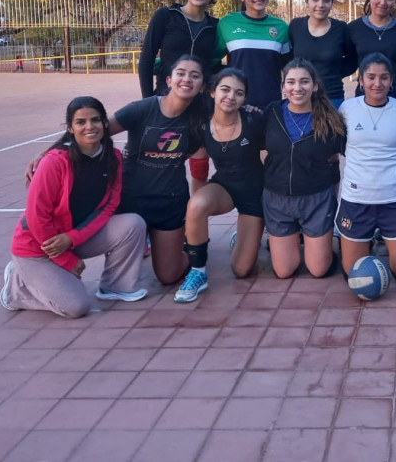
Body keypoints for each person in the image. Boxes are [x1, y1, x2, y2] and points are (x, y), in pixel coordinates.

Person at [3, 97, 147, 317]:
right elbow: (36, 217)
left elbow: (109, 206)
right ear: (70, 127)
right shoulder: (54, 162)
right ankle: (16, 288)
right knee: (76, 307)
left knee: (133, 224)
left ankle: (116, 286)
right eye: (81, 122)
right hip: (38, 248)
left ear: (105, 124)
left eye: (96, 120)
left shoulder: (113, 157)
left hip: (69, 239)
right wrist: (66, 260)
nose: (90, 126)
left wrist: (72, 238)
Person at [113, 56, 209, 285]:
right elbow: (94, 129)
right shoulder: (142, 109)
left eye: (194, 76)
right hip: (131, 201)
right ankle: (141, 236)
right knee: (122, 276)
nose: (187, 79)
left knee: (168, 275)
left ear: (202, 86)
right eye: (181, 73)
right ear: (169, 79)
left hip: (169, 201)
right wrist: (47, 154)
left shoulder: (199, 119)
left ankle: (189, 250)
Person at [174, 68, 267, 302]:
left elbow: (269, 162)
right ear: (213, 92)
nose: (230, 97)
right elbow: (198, 170)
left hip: (254, 195)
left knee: (241, 270)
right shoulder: (202, 126)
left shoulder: (254, 120)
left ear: (245, 98)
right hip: (224, 187)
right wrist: (195, 216)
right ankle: (198, 272)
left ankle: (245, 235)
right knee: (196, 205)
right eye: (225, 90)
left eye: (239, 93)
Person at [336, 53, 396, 284]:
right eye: (370, 77)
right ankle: (366, 240)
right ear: (360, 80)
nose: (377, 84)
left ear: (392, 81)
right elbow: (341, 145)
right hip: (356, 199)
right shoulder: (347, 108)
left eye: (384, 78)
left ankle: (388, 238)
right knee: (353, 274)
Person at [263, 59, 346, 279]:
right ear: (283, 87)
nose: (297, 88)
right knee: (284, 271)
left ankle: (323, 242)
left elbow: (337, 159)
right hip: (277, 199)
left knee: (318, 270)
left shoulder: (331, 121)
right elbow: (260, 150)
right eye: (290, 82)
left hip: (316, 199)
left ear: (315, 86)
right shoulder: (270, 114)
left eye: (304, 82)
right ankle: (294, 240)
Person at [215, 0, 291, 109]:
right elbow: (213, 60)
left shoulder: (281, 27)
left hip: (271, 104)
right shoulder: (227, 23)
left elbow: (288, 68)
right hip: (236, 104)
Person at [139, 0, 219, 97]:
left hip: (200, 98)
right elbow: (147, 59)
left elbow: (214, 63)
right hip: (166, 94)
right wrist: (147, 100)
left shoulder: (215, 26)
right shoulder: (165, 16)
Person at [288, 0, 357, 108]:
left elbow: (352, 62)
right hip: (301, 98)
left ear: (331, 3)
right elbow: (289, 59)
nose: (321, 4)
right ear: (307, 2)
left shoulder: (341, 29)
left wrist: (332, 72)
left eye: (326, 0)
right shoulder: (295, 26)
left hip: (332, 98)